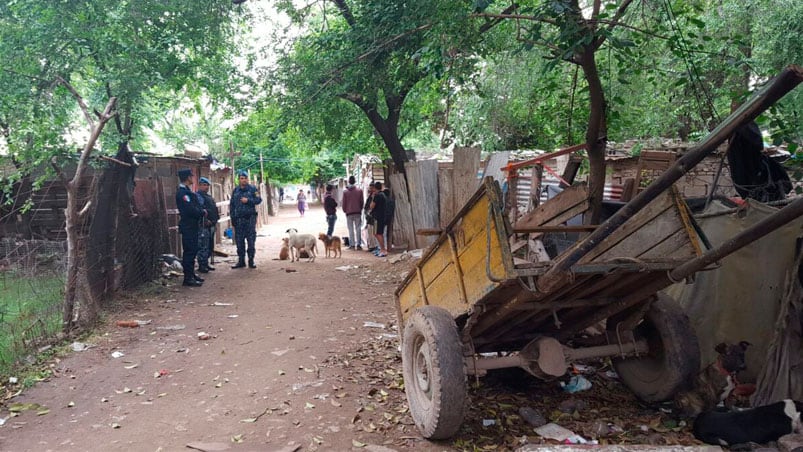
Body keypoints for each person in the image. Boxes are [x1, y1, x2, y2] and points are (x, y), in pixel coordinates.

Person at [176, 168, 205, 287]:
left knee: (193, 250)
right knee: (189, 252)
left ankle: (191, 274)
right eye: (191, 176)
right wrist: (201, 212)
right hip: (188, 226)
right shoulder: (182, 194)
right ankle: (187, 278)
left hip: (192, 226)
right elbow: (190, 210)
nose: (192, 178)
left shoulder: (187, 192)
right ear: (187, 177)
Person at [229, 171, 262, 269]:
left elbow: (258, 200)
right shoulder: (236, 190)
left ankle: (251, 260)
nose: (243, 180)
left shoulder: (252, 189)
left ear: (247, 179)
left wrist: (248, 201)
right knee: (239, 242)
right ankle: (241, 261)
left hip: (250, 220)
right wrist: (233, 218)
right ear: (239, 179)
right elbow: (232, 205)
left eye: (245, 178)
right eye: (241, 178)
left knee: (251, 241)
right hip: (239, 220)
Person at [196, 177, 220, 273]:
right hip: (204, 225)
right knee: (203, 246)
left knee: (209, 245)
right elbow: (201, 211)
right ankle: (202, 265)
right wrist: (206, 220)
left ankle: (206, 263)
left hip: (211, 224)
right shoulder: (198, 196)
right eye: (204, 185)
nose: (206, 187)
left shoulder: (208, 196)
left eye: (207, 185)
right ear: (200, 185)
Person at [341, 176, 364, 250]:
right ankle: (359, 244)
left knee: (350, 229)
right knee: (358, 228)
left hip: (349, 212)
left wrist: (345, 210)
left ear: (349, 181)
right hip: (357, 212)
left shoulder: (345, 192)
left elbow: (344, 203)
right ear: (355, 181)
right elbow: (362, 202)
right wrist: (360, 208)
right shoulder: (359, 191)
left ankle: (352, 245)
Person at [370, 181, 388, 257]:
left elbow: (371, 206)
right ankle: (382, 249)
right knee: (377, 233)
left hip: (378, 217)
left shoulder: (377, 196)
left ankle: (383, 250)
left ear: (374, 188)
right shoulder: (383, 195)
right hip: (382, 216)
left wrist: (372, 198)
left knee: (378, 233)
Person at [382, 186, 395, 251]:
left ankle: (383, 247)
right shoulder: (392, 201)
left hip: (383, 217)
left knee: (382, 233)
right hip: (389, 218)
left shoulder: (383, 200)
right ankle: (387, 247)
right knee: (387, 232)